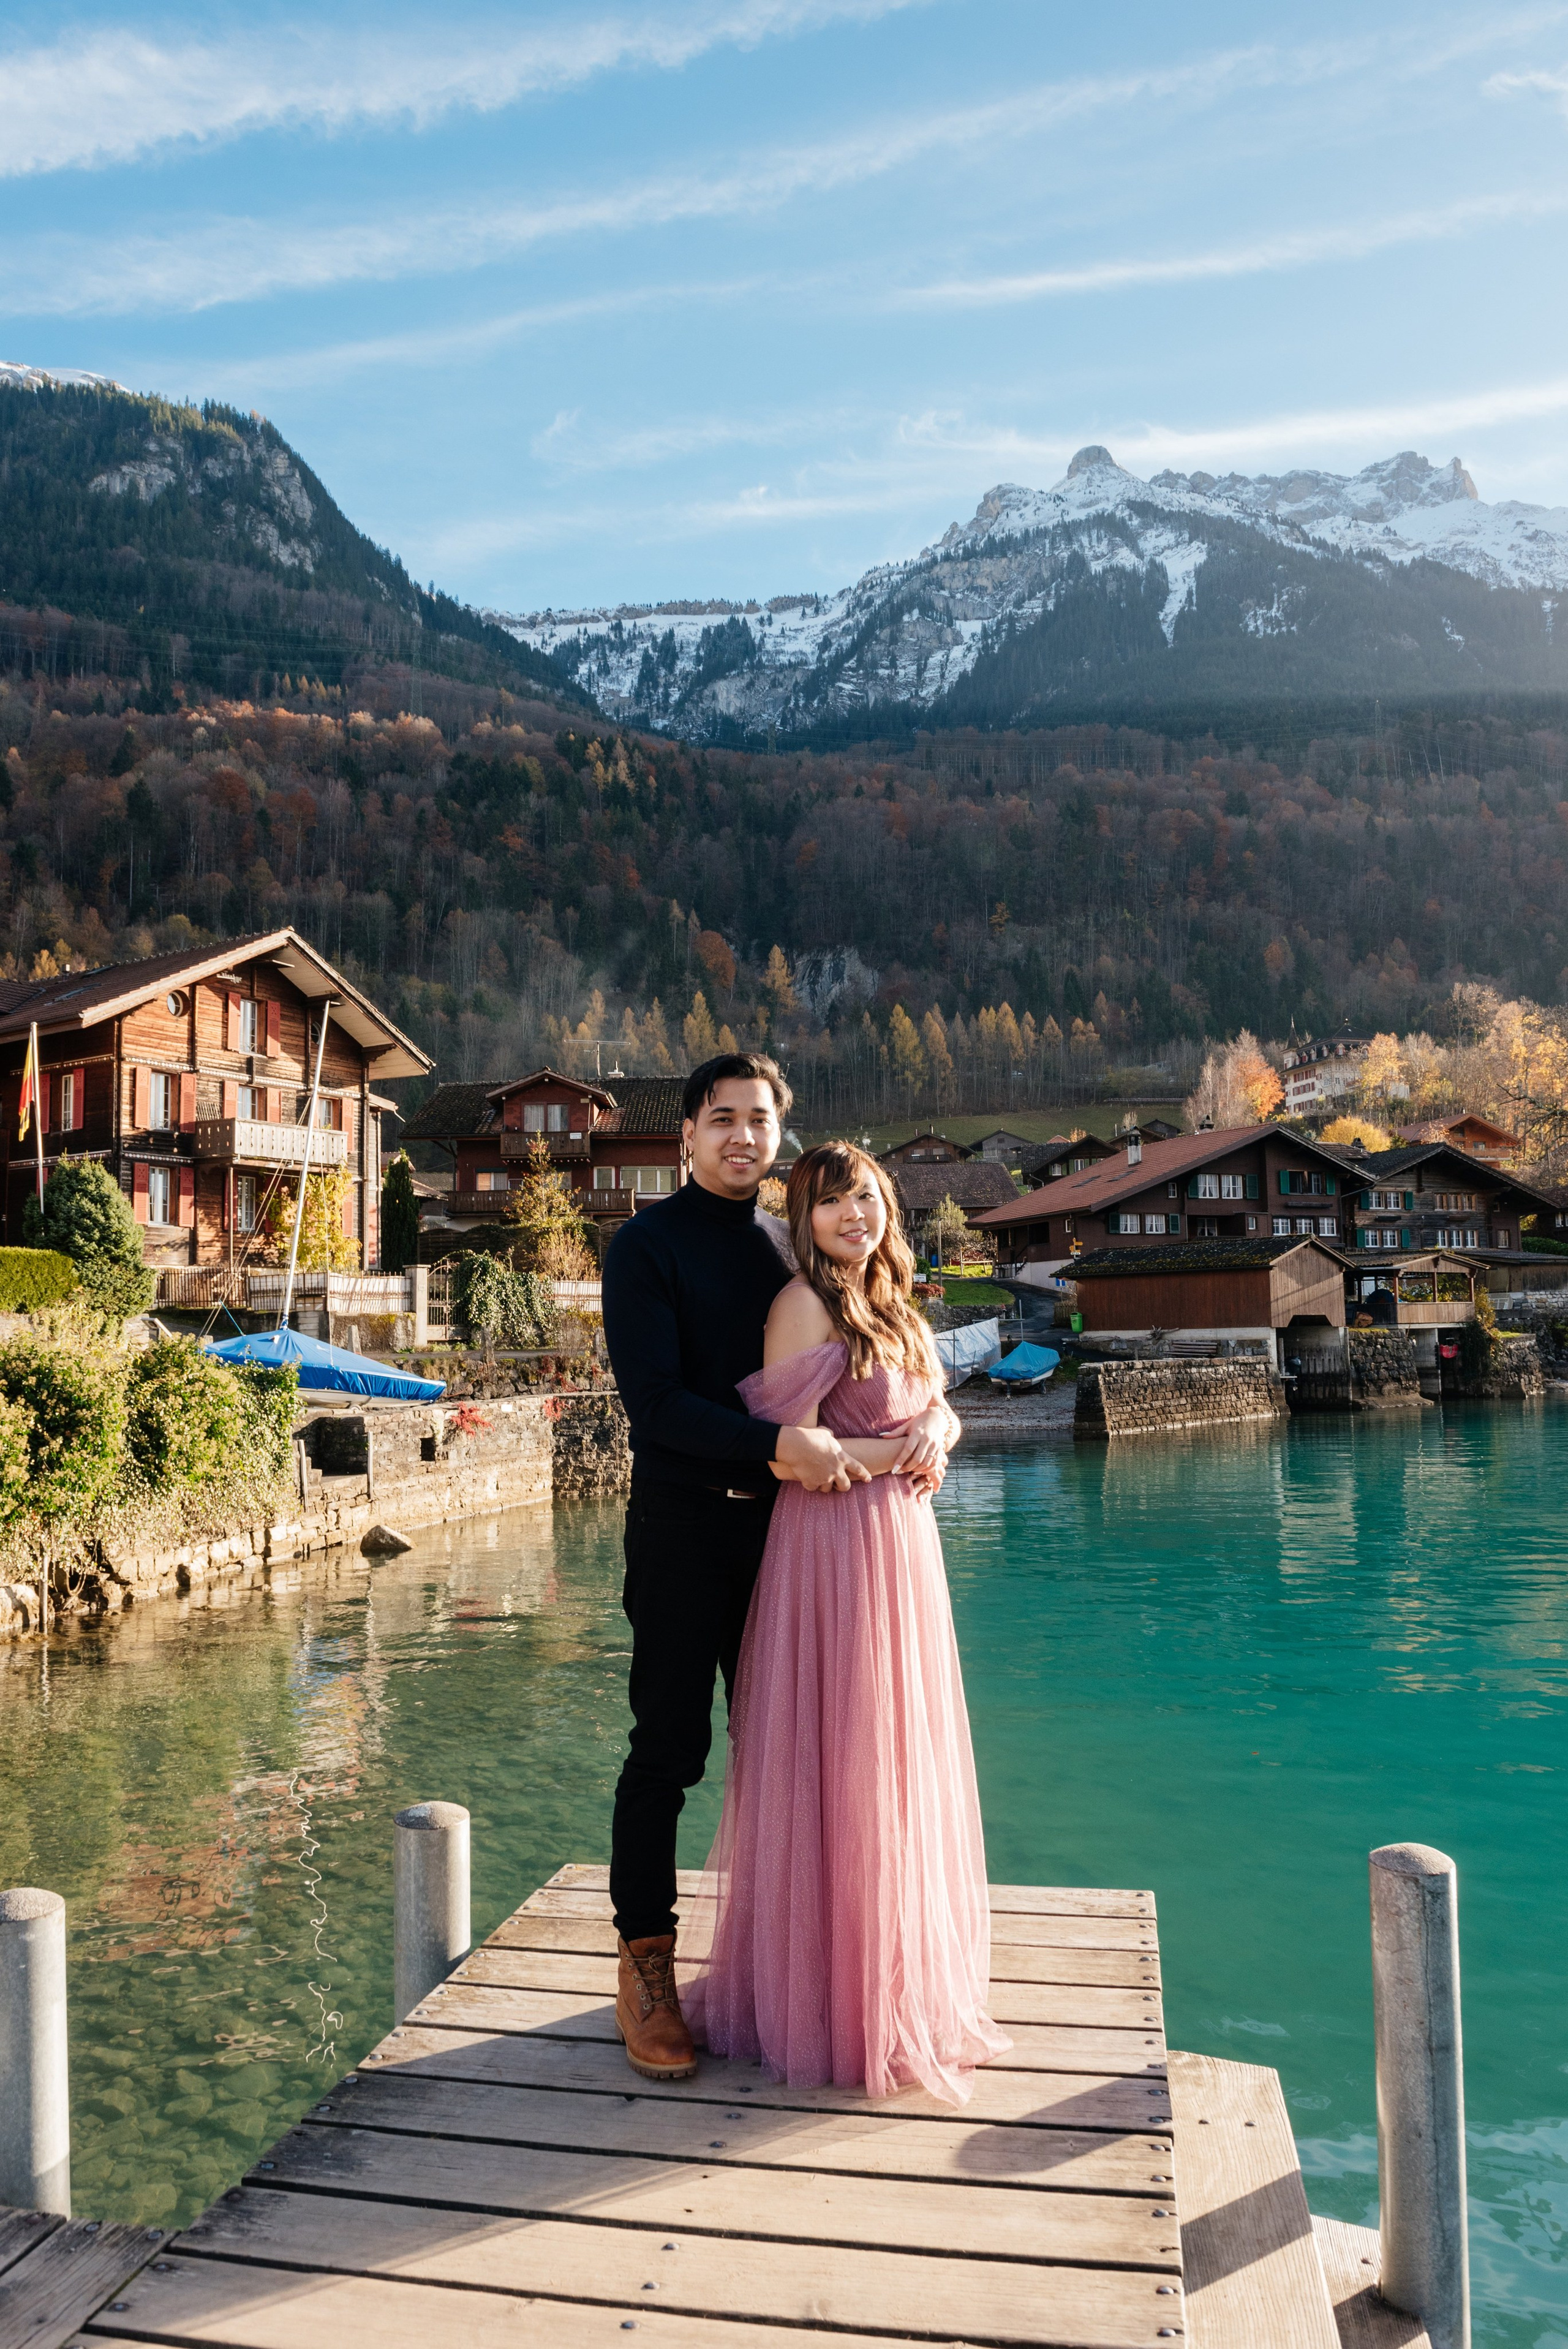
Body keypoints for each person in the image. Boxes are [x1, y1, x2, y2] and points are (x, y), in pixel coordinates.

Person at [602, 1058, 951, 2082]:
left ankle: (791, 1970)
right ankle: (646, 1959)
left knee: (795, 1753)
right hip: (683, 1529)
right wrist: (775, 1446)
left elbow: (875, 1362)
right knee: (669, 1747)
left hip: (790, 1537)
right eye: (723, 1119)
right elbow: (655, 1405)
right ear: (687, 1135)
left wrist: (937, 1419)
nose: (742, 1136)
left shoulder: (783, 1248)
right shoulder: (646, 1247)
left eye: (759, 1120)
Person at [688, 1140, 1010, 2104]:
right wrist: (901, 1450)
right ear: (804, 1218)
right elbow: (789, 1454)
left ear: (886, 1205)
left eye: (864, 1195)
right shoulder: (802, 1304)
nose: (852, 1215)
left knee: (897, 1757)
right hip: (831, 1547)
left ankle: (893, 1979)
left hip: (903, 1547)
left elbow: (936, 1406)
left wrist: (939, 1429)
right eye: (830, 1202)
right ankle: (828, 2000)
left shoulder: (893, 1301)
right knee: (844, 1755)